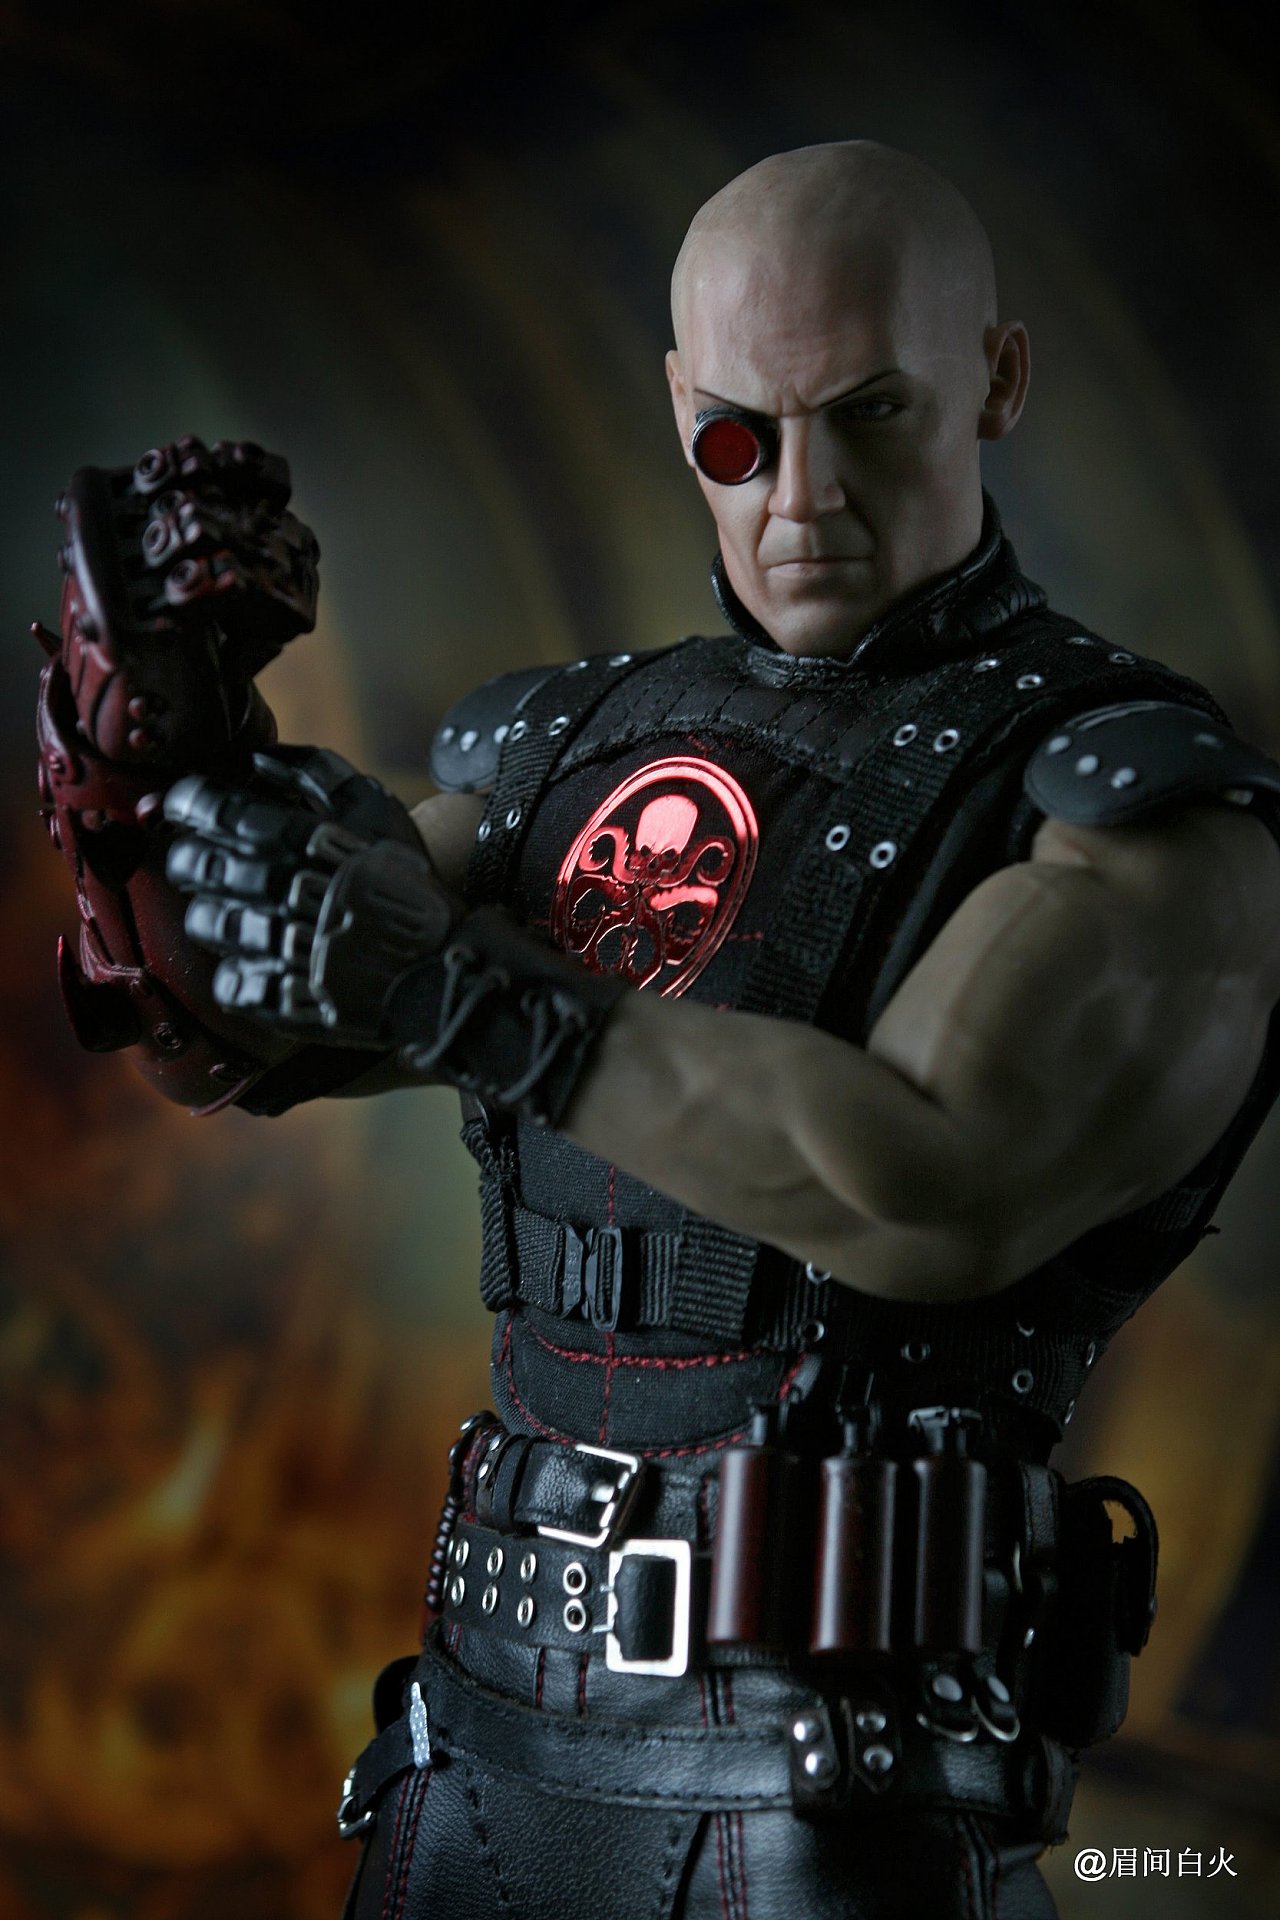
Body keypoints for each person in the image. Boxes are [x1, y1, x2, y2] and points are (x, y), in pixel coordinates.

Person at [38, 142, 1280, 1918]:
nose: (805, 499)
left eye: (871, 416)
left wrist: (461, 990)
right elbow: (246, 1029)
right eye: (740, 441)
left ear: (997, 380)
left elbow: (927, 1192)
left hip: (831, 1785)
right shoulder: (569, 745)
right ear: (681, 407)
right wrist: (163, 783)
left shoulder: (1132, 811)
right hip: (479, 1749)